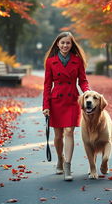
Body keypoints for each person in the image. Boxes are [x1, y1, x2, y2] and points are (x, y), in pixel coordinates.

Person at [42, 31, 90, 181]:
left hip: (72, 100)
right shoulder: (50, 61)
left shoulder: (78, 60)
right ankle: (60, 159)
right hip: (56, 101)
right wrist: (46, 105)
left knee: (69, 131)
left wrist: (87, 92)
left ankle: (67, 167)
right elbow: (47, 85)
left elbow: (83, 80)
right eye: (62, 42)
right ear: (57, 44)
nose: (65, 45)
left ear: (72, 44)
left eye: (68, 43)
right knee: (58, 136)